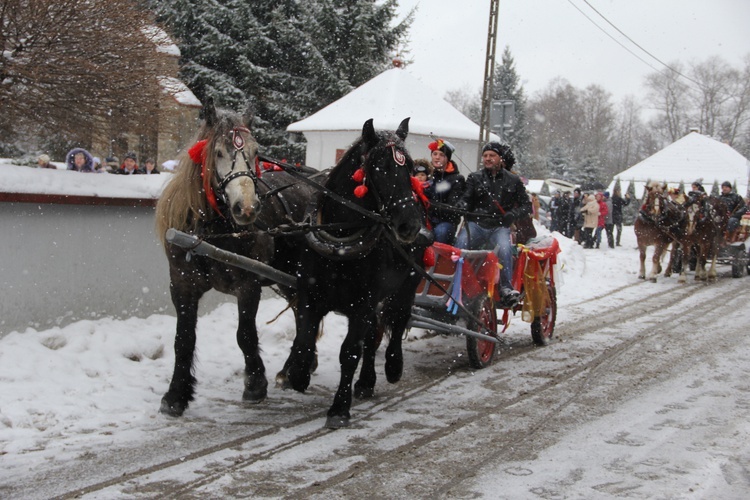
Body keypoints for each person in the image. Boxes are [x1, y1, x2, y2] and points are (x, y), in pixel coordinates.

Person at [455, 142, 531, 305]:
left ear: (500, 158)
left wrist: (512, 215)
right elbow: (466, 199)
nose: (488, 159)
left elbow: (527, 206)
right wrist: (462, 205)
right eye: (485, 156)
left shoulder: (514, 180)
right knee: (459, 246)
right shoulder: (474, 178)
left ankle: (506, 288)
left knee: (504, 249)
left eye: (492, 156)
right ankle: (456, 283)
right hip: (476, 224)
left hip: (500, 227)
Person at [424, 139, 465, 244]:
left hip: (445, 222)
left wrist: (431, 205)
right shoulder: (425, 174)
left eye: (441, 155)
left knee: (441, 233)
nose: (437, 157)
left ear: (447, 158)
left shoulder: (456, 179)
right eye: (435, 154)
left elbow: (452, 206)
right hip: (425, 219)